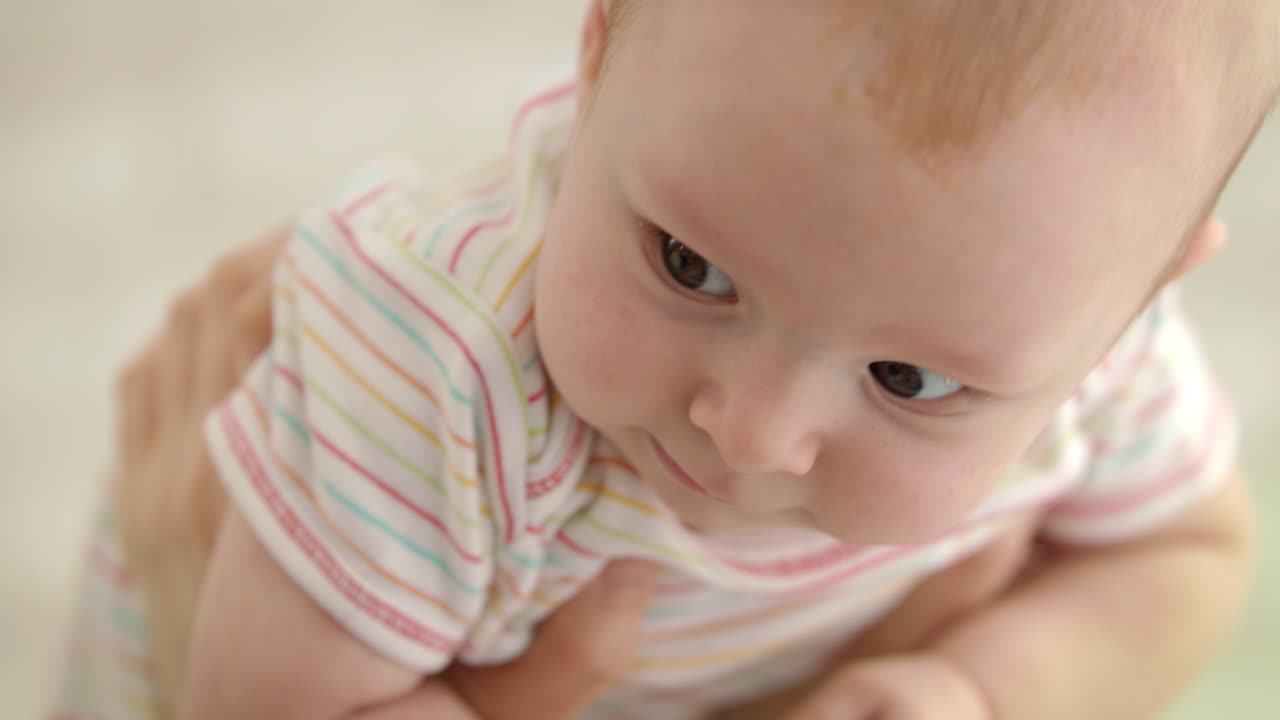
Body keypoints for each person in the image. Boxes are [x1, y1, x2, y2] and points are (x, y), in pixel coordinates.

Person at [53, 0, 1275, 717]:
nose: (747, 433)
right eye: (688, 265)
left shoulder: (1087, 360)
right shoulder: (442, 368)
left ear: (1136, 296)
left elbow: (1192, 554)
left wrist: (977, 685)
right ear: (599, 46)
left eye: (908, 382)